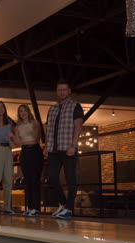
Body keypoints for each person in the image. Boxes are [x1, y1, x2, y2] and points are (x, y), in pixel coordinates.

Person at [43, 79, 83, 219]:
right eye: (59, 90)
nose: (61, 92)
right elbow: (49, 129)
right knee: (52, 177)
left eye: (64, 90)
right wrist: (47, 147)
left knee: (71, 178)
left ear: (69, 91)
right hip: (54, 149)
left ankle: (69, 208)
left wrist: (74, 145)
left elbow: (78, 127)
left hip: (68, 148)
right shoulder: (52, 109)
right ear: (56, 91)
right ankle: (63, 203)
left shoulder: (75, 106)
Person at [9, 104, 43, 217]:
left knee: (35, 179)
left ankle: (36, 207)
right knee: (27, 180)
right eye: (20, 111)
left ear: (28, 112)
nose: (23, 113)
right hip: (24, 153)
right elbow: (18, 143)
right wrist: (13, 137)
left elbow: (36, 139)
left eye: (24, 111)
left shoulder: (35, 123)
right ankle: (29, 207)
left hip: (34, 151)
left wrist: (25, 142)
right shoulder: (17, 127)